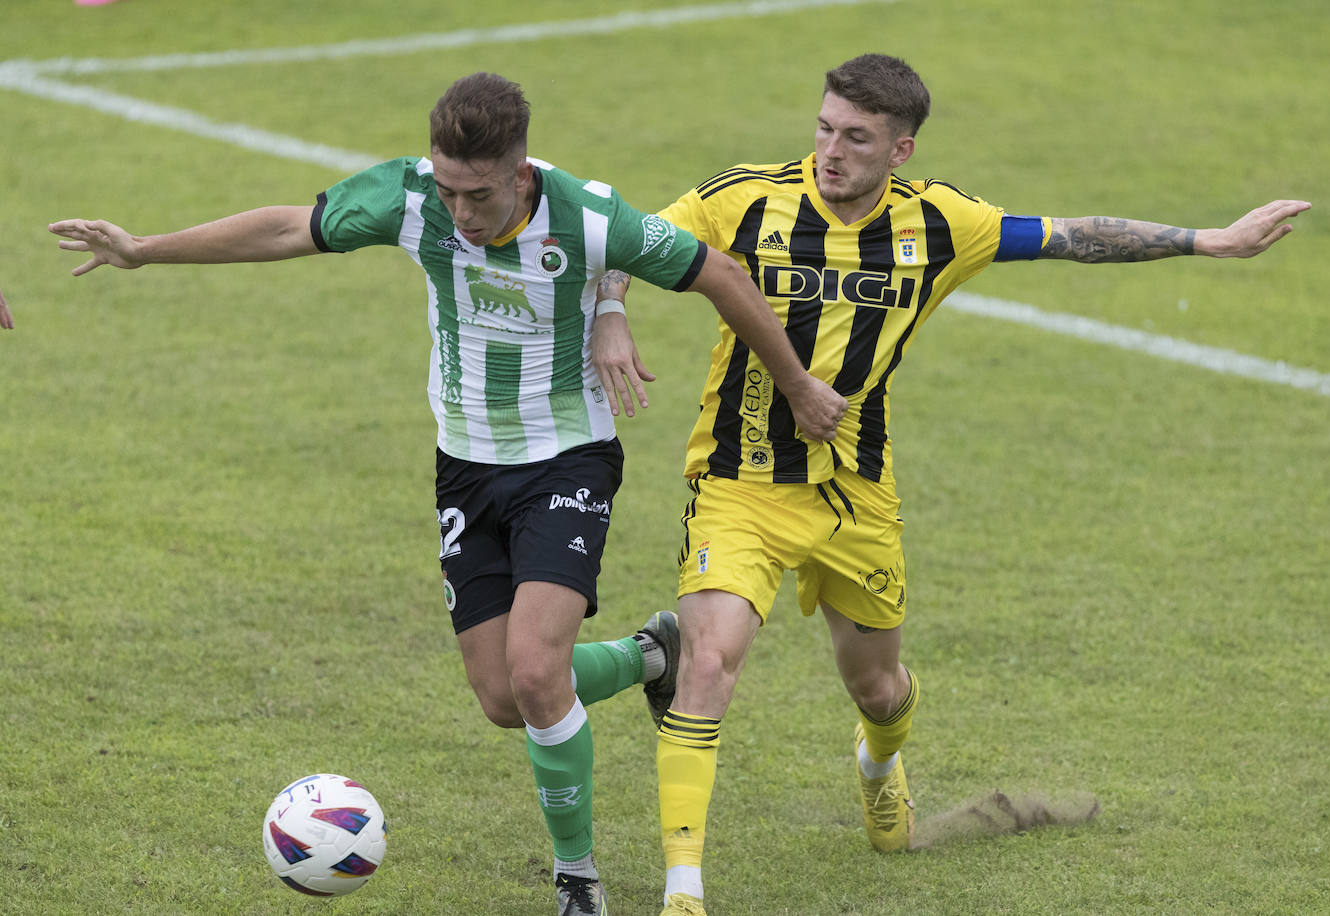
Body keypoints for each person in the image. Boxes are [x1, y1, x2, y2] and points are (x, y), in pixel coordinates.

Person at [49, 72, 848, 916]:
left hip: (565, 462)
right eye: (449, 189)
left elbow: (719, 272)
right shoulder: (411, 196)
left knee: (538, 677)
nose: (461, 212)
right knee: (506, 699)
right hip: (464, 466)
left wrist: (795, 386)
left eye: (478, 193)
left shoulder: (588, 217)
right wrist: (146, 248)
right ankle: (651, 656)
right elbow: (291, 226)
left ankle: (578, 878)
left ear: (520, 172)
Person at [595, 53, 1309, 916]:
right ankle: (683, 894)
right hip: (741, 484)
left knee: (880, 690)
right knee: (709, 664)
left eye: (856, 138)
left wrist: (1208, 240)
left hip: (858, 494)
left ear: (899, 150)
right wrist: (611, 312)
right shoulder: (742, 198)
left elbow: (1071, 235)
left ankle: (879, 764)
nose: (830, 151)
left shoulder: (943, 222)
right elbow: (620, 239)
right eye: (824, 128)